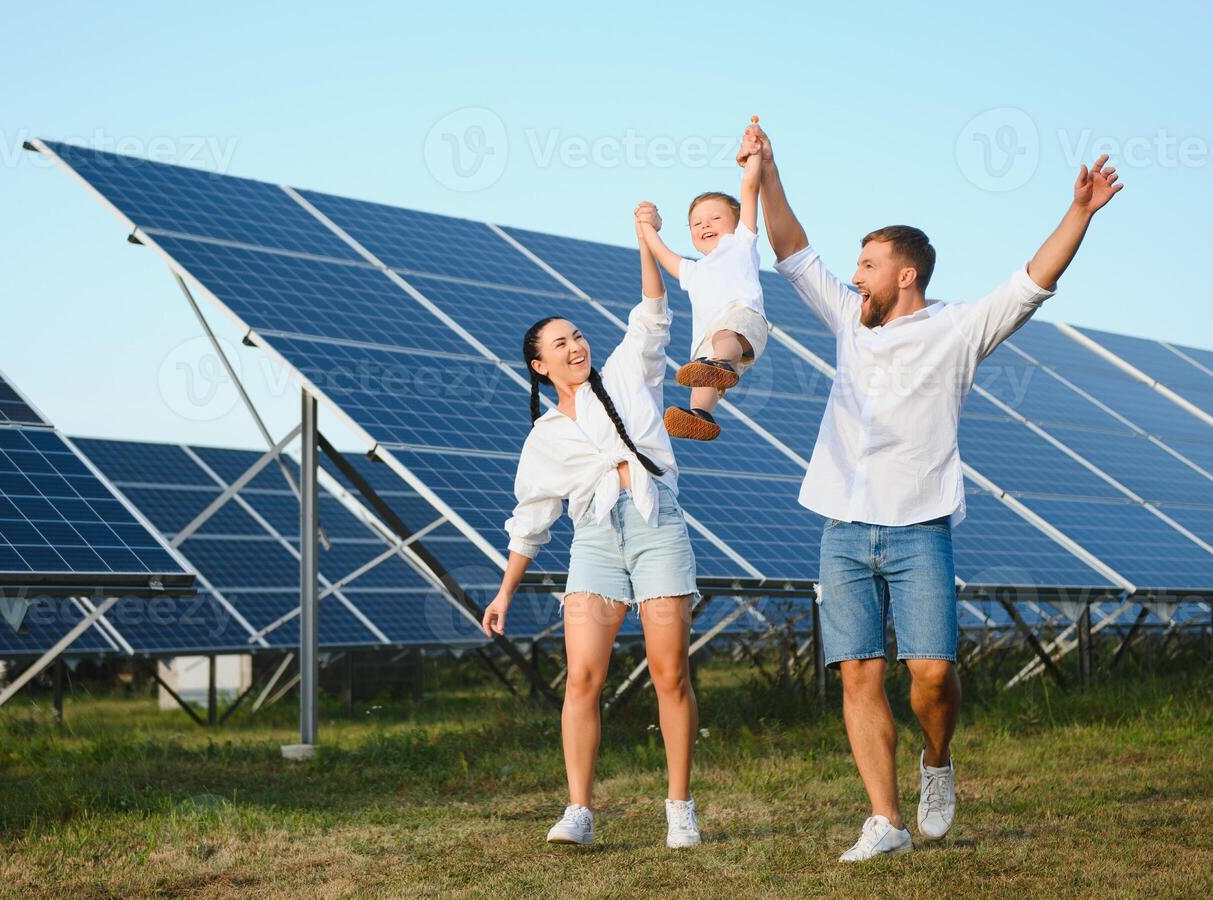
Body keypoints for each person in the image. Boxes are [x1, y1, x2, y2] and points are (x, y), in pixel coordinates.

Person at [751, 121, 1124, 862]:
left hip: (919, 527)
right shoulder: (849, 325)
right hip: (842, 528)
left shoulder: (957, 329)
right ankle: (884, 822)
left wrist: (1077, 213)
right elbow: (790, 246)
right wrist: (766, 169)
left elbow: (1030, 282)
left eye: (867, 265)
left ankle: (935, 760)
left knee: (931, 674)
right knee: (857, 672)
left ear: (905, 276)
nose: (854, 276)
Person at [481, 216, 704, 850]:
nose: (575, 346)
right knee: (582, 678)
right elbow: (531, 520)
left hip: (655, 527)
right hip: (594, 541)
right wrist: (503, 594)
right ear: (539, 363)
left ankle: (679, 807)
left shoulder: (627, 372)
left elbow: (652, 311)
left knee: (669, 674)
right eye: (560, 343)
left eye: (577, 335)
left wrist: (645, 244)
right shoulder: (545, 436)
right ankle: (579, 809)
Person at [635, 123, 770, 442]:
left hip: (743, 322)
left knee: (723, 340)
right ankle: (701, 415)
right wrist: (647, 225)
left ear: (737, 224)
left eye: (715, 218)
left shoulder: (741, 242)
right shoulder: (693, 271)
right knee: (701, 381)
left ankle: (721, 363)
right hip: (710, 342)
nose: (705, 224)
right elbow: (661, 253)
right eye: (696, 222)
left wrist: (751, 156)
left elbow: (750, 189)